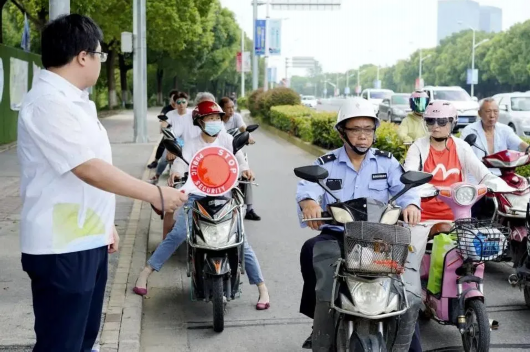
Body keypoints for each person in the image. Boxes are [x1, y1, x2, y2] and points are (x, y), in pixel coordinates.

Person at [16, 14, 187, 352]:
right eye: (100, 55)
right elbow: (88, 169)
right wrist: (155, 193)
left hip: (83, 237)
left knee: (84, 340)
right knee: (61, 344)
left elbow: (86, 173)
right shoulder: (49, 103)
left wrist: (104, 223)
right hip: (61, 247)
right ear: (83, 56)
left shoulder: (74, 102)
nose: (99, 62)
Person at [296, 97, 422, 350]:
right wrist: (308, 201)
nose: (363, 136)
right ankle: (319, 321)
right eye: (355, 129)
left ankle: (410, 345)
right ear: (342, 132)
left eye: (368, 129)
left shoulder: (387, 163)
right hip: (339, 236)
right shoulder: (326, 164)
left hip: (381, 237)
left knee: (405, 291)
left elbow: (406, 189)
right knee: (311, 250)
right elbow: (307, 187)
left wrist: (411, 205)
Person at [133, 100, 270, 309]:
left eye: (217, 118)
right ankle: (146, 273)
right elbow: (180, 161)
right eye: (210, 118)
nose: (215, 121)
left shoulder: (227, 139)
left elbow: (240, 160)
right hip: (197, 196)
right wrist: (177, 172)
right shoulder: (192, 144)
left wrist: (246, 170)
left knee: (240, 239)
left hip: (225, 196)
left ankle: (261, 287)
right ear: (200, 121)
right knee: (179, 233)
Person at [219, 97, 261, 221]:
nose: (231, 110)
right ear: (221, 109)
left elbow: (243, 128)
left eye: (233, 107)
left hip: (235, 150)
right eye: (228, 108)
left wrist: (248, 137)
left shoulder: (236, 117)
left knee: (246, 173)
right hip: (218, 154)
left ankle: (249, 209)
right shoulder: (216, 120)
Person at [148, 92, 190, 185]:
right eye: (178, 102)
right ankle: (156, 176)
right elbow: (164, 125)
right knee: (164, 159)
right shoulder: (171, 114)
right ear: (174, 104)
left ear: (187, 102)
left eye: (183, 102)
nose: (181, 105)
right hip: (173, 142)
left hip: (189, 143)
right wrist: (163, 127)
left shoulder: (192, 114)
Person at [147, 90, 180, 169]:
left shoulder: (181, 108)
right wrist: (162, 121)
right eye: (173, 99)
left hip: (180, 132)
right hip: (169, 131)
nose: (174, 101)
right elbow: (162, 114)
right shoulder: (167, 108)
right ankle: (155, 160)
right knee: (162, 144)